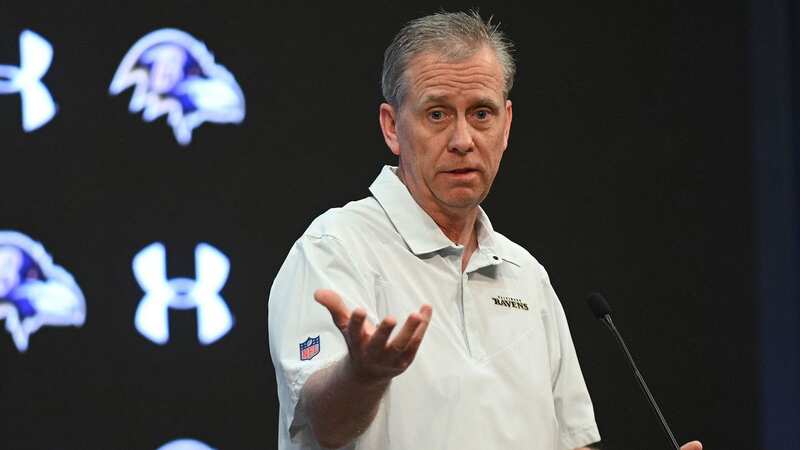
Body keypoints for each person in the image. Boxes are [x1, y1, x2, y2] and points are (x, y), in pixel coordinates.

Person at [268, 11, 703, 450]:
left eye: (481, 113)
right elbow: (323, 425)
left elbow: (574, 443)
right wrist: (362, 374)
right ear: (391, 127)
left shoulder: (526, 276)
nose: (463, 139)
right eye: (437, 114)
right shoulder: (334, 249)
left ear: (506, 124)